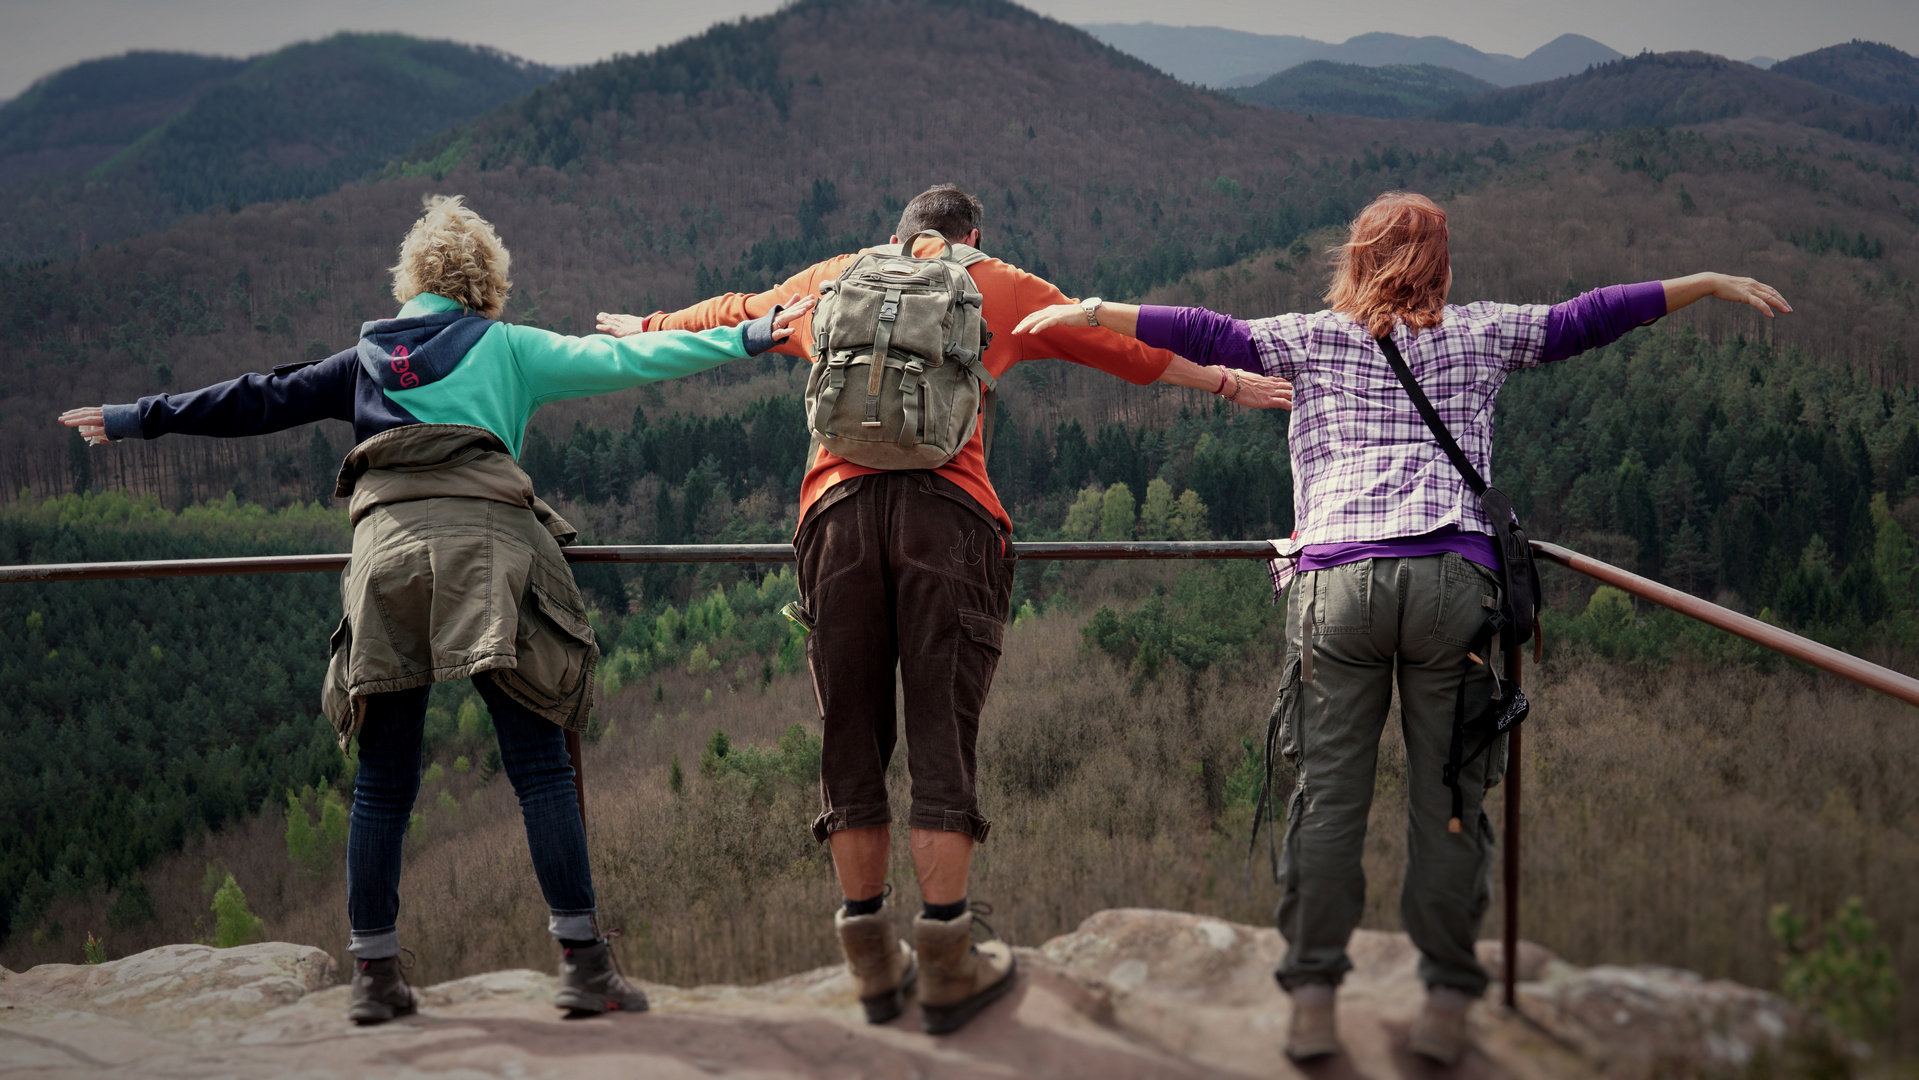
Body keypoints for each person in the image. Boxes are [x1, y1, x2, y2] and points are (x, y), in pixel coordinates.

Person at [1013, 190, 1790, 1065]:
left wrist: (1089, 310)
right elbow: (1588, 318)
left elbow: (1202, 330)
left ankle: (1311, 999)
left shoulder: (1311, 338)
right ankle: (1446, 1008)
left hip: (1337, 584)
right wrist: (1705, 282)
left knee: (1327, 801)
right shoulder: (1483, 332)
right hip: (1451, 585)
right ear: (1442, 266)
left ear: (1354, 260)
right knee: (1448, 801)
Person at [59, 195, 813, 1025]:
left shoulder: (361, 361)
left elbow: (256, 397)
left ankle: (375, 979)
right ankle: (583, 966)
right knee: (538, 768)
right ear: (486, 283)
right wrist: (746, 334)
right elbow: (623, 360)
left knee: (384, 780)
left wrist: (137, 418)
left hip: (382, 563)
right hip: (490, 555)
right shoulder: (510, 348)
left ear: (410, 282)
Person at [597, 184, 1292, 1034]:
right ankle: (948, 958)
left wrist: (647, 325)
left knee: (849, 739)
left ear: (895, 234)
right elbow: (1115, 344)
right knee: (939, 739)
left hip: (836, 518)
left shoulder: (838, 276)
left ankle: (867, 956)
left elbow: (735, 313)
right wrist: (1225, 382)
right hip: (950, 521)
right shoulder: (994, 282)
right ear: (972, 234)